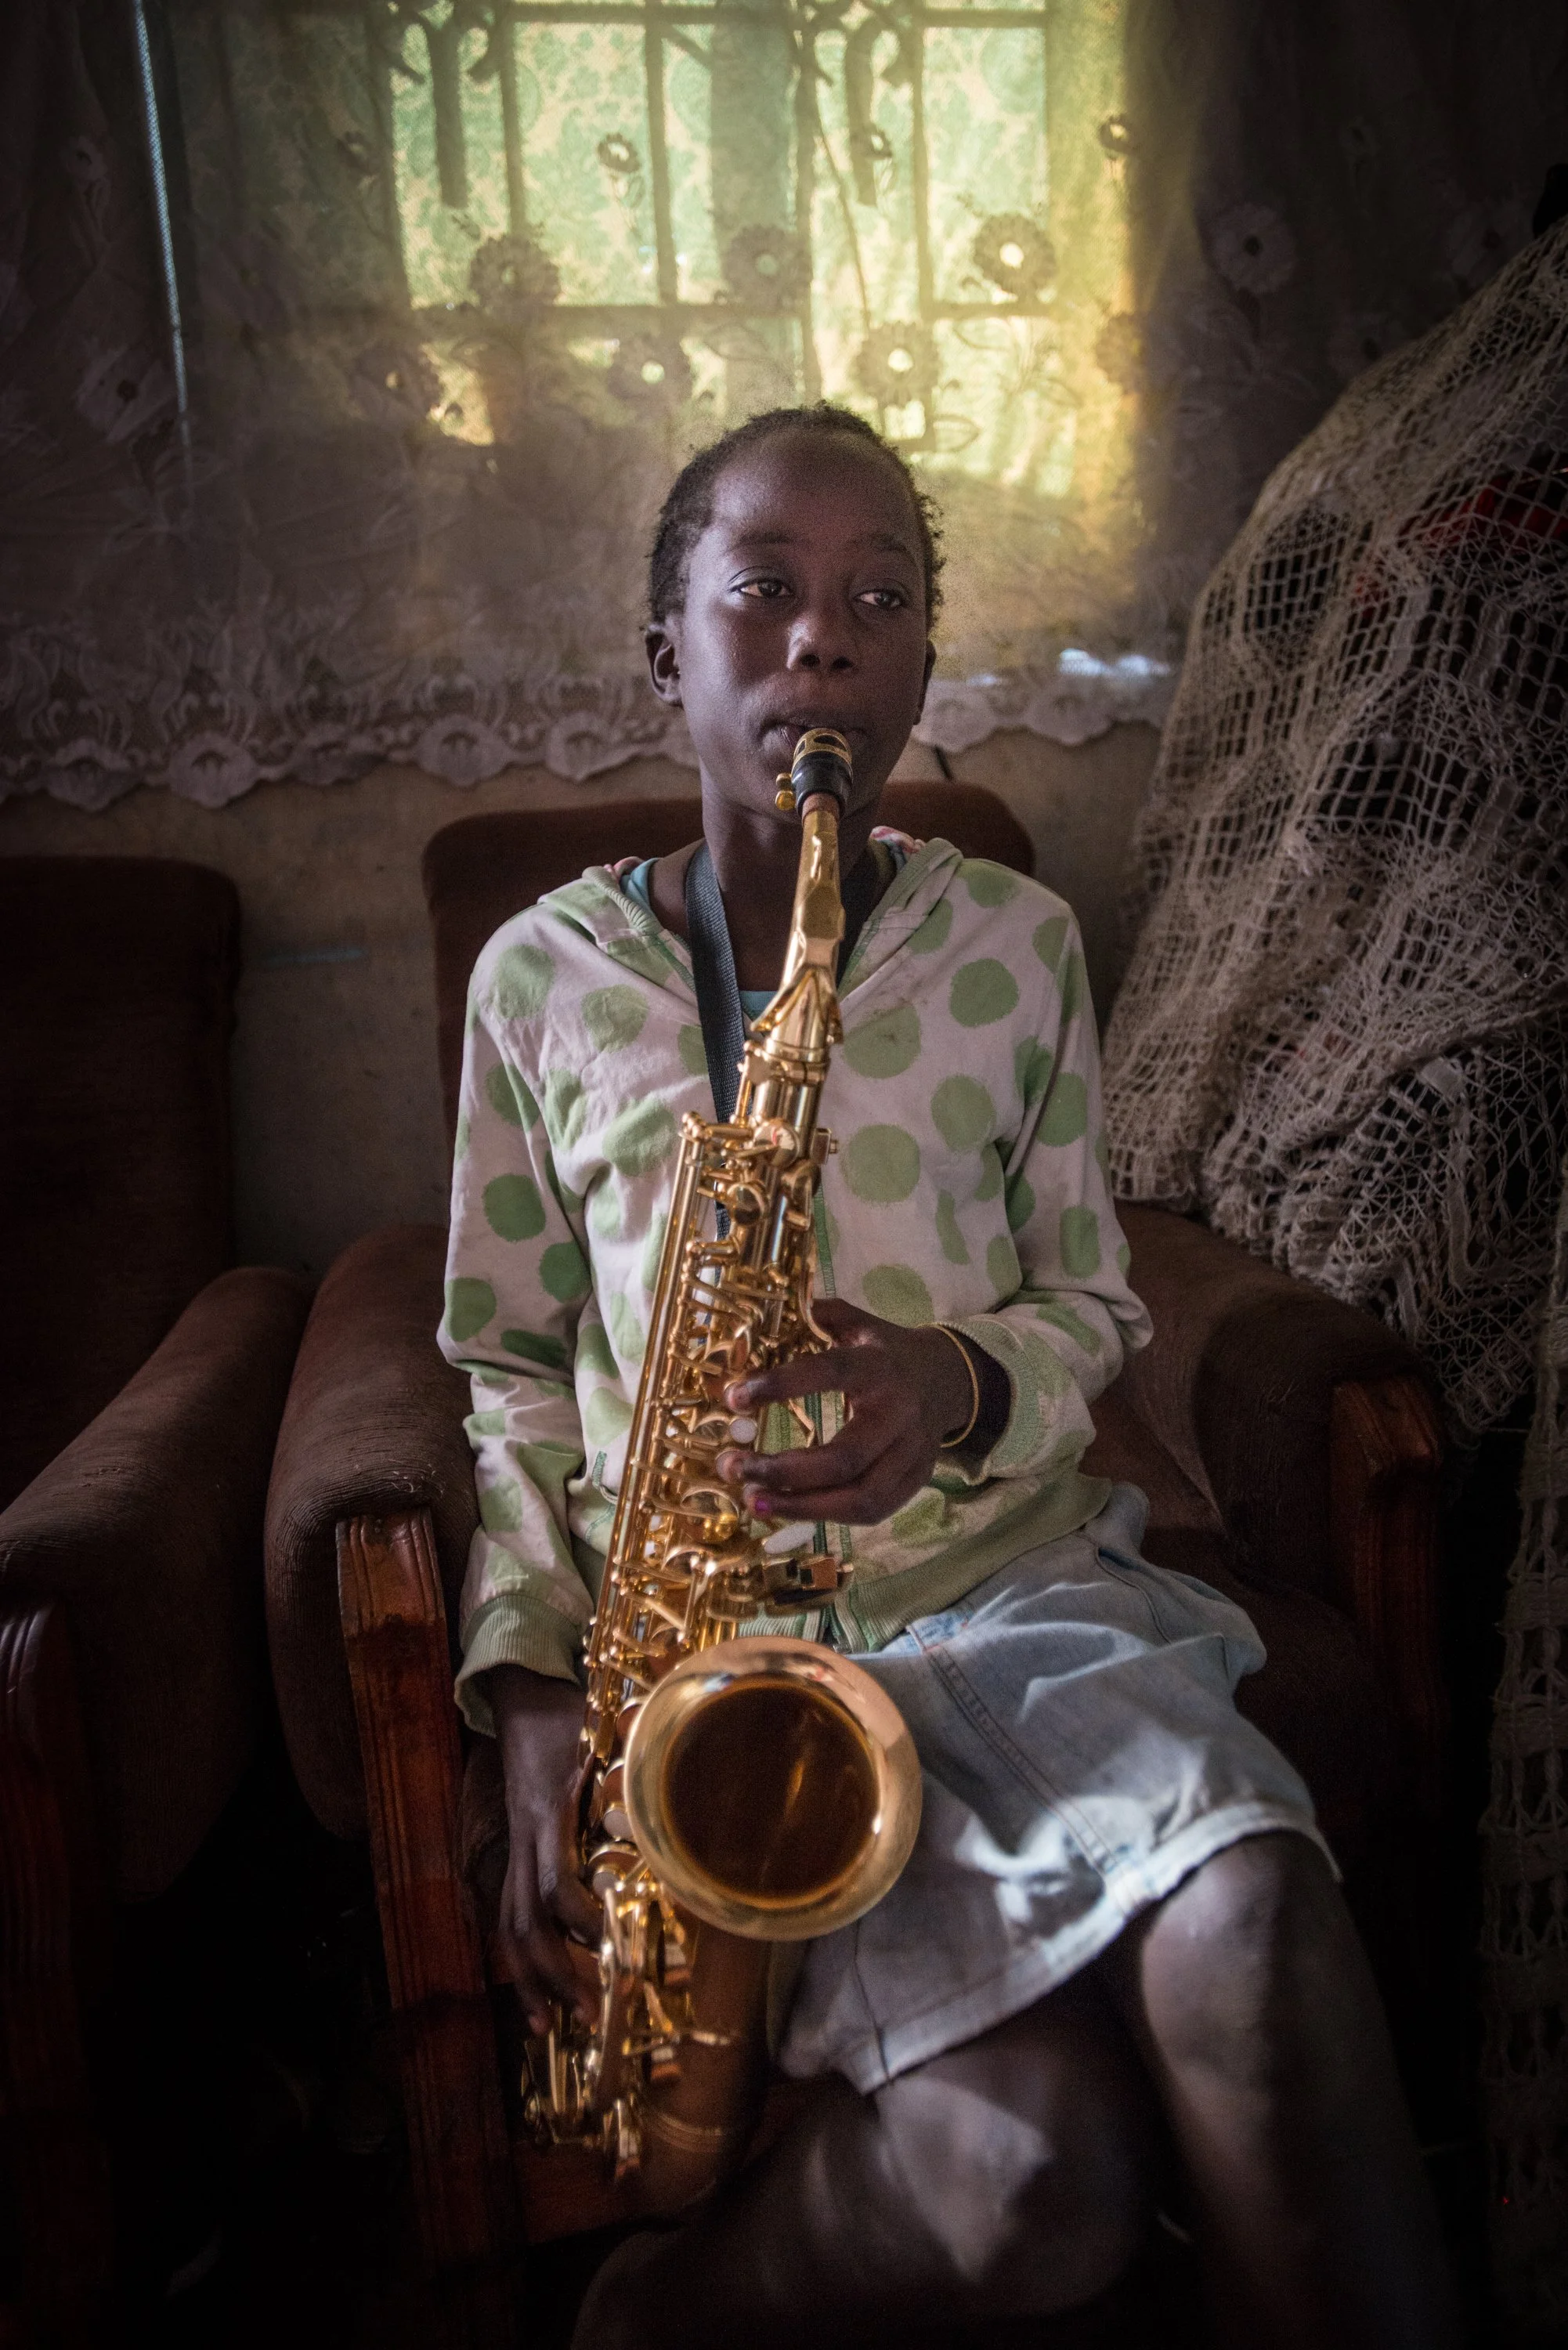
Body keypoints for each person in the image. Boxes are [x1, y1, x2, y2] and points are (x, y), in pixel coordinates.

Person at [439, 404, 1458, 2348]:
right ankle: (657, 2311)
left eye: (879, 600)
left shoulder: (1013, 941)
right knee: (1025, 2189)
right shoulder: (534, 980)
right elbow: (506, 1367)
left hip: (1016, 1596)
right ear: (665, 653)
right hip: (736, 1672)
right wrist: (532, 1692)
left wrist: (956, 1383)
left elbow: (1088, 1305)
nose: (821, 637)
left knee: (1252, 1926)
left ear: (918, 670)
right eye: (762, 592)